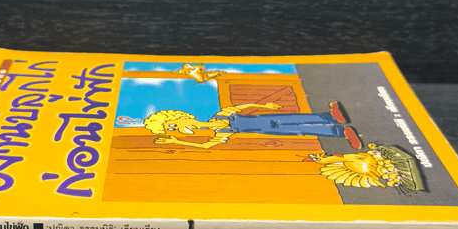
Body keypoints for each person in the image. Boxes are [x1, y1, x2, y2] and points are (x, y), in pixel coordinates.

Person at [144, 101, 362, 150]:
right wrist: (177, 142)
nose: (175, 130)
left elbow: (238, 106)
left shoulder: (219, 117)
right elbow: (206, 146)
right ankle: (339, 131)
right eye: (171, 130)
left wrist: (264, 105)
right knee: (298, 129)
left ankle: (329, 117)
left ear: (182, 116)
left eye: (172, 125)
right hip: (265, 129)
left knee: (292, 118)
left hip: (261, 119)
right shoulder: (221, 132)